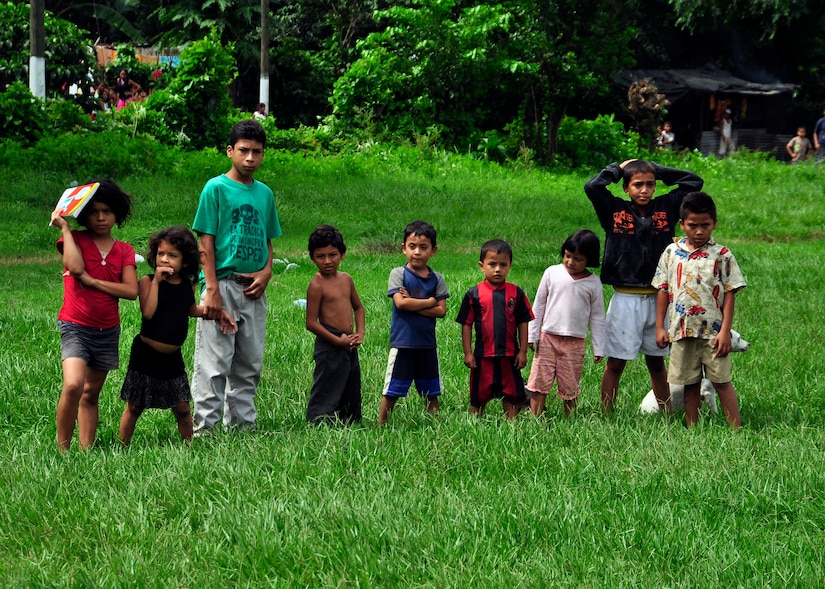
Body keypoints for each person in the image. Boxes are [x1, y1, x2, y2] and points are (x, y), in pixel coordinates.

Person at [584, 158, 703, 412]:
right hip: (625, 299)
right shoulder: (614, 210)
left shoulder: (667, 207)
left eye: (650, 184)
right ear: (626, 187)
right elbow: (592, 187)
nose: (644, 190)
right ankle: (607, 413)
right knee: (615, 363)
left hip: (658, 299)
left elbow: (694, 182)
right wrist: (617, 169)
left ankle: (666, 413)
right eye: (638, 184)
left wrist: (655, 168)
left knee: (657, 363)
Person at [190, 119, 282, 434]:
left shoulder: (265, 194)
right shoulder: (215, 188)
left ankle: (243, 426)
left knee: (249, 362)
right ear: (230, 151)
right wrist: (211, 287)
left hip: (254, 288)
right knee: (215, 363)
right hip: (223, 285)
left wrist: (268, 271)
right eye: (243, 150)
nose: (250, 158)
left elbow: (269, 239)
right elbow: (206, 241)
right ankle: (206, 428)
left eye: (257, 152)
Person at [119, 227, 237, 445]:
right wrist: (156, 282)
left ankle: (190, 446)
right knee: (135, 405)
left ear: (185, 262)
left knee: (182, 408)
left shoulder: (186, 285)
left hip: (172, 357)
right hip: (146, 353)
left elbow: (191, 310)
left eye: (172, 255)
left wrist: (218, 313)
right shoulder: (147, 281)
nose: (165, 260)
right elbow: (148, 312)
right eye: (161, 254)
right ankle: (122, 444)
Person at [49, 180, 138, 450]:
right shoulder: (73, 239)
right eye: (94, 211)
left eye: (108, 212)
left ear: (117, 215)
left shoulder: (124, 250)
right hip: (75, 325)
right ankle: (62, 450)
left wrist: (94, 282)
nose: (101, 217)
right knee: (74, 384)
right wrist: (65, 226)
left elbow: (131, 290)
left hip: (107, 329)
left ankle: (85, 450)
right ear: (84, 213)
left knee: (90, 393)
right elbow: (75, 268)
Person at [653, 191, 747, 429]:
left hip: (713, 333)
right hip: (681, 330)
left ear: (714, 223)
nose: (699, 231)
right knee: (689, 382)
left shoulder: (722, 255)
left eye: (705, 225)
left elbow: (729, 294)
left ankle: (736, 428)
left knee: (721, 380)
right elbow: (662, 289)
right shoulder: (670, 253)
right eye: (692, 225)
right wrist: (659, 327)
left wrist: (725, 332)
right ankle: (692, 427)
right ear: (682, 224)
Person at [526, 230, 606, 418]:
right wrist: (532, 334)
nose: (570, 262)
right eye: (567, 256)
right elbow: (538, 306)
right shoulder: (551, 273)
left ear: (590, 259)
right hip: (547, 338)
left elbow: (597, 317)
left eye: (578, 259)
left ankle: (569, 418)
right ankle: (535, 418)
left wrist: (599, 347)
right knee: (539, 382)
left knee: (570, 385)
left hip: (575, 342)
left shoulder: (593, 284)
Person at [378, 220, 449, 424]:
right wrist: (428, 301)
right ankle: (381, 425)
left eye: (423, 247)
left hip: (427, 344)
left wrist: (413, 302)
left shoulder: (437, 279)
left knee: (431, 391)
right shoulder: (398, 274)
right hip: (403, 343)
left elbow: (441, 311)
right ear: (403, 248)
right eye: (412, 246)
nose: (417, 252)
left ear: (433, 250)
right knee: (392, 390)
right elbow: (401, 304)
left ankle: (435, 427)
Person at [456, 239, 534, 419]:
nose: (498, 269)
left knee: (512, 394)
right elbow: (466, 325)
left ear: (510, 266)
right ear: (482, 266)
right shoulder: (473, 294)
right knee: (478, 395)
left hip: (509, 356)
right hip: (483, 356)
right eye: (492, 264)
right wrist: (468, 353)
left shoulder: (516, 293)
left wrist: (522, 351)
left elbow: (523, 322)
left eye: (503, 265)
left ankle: (512, 427)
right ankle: (475, 425)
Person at [304, 225, 365, 425]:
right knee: (327, 383)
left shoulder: (346, 279)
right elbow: (311, 323)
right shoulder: (317, 285)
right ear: (312, 258)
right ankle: (319, 420)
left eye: (333, 255)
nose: (328, 261)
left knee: (351, 382)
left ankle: (350, 419)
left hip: (349, 342)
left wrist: (360, 333)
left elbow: (358, 308)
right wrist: (337, 341)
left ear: (343, 254)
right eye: (320, 256)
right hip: (330, 342)